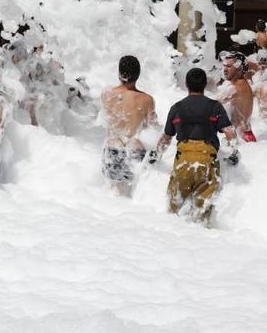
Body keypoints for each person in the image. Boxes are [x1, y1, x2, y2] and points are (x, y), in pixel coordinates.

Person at [152, 68, 239, 225]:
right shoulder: (215, 107)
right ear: (205, 84)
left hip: (183, 163)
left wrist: (156, 155)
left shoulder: (176, 108)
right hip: (206, 162)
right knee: (201, 217)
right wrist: (234, 152)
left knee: (173, 214)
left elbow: (166, 138)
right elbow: (229, 132)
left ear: (186, 84)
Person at [100, 56, 157, 196]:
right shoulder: (146, 100)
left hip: (112, 150)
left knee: (113, 195)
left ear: (120, 73)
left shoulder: (107, 95)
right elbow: (152, 128)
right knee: (134, 197)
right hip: (134, 151)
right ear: (138, 75)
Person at [217, 51, 255, 142]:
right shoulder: (238, 84)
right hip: (243, 136)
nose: (225, 69)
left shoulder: (237, 88)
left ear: (239, 69)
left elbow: (209, 102)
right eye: (224, 66)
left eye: (229, 66)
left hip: (243, 138)